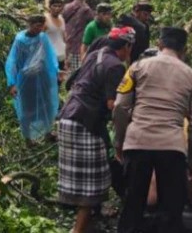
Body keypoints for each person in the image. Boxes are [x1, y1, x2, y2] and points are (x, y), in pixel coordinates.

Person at [113, 27, 192, 233]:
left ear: (160, 44)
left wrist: (119, 142)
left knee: (132, 206)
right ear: (184, 49)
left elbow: (120, 107)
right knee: (171, 212)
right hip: (172, 148)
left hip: (137, 142)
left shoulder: (137, 67)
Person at [57, 27, 136, 233]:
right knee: (91, 185)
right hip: (85, 122)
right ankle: (78, 230)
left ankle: (87, 223)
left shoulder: (95, 54)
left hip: (68, 116)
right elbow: (113, 105)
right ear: (127, 46)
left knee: (86, 178)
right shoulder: (115, 66)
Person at [5, 15, 59, 141]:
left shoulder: (42, 38)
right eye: (36, 26)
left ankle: (47, 133)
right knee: (27, 109)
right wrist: (12, 83)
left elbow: (49, 56)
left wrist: (55, 71)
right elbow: (13, 61)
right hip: (26, 81)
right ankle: (28, 138)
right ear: (29, 24)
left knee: (47, 105)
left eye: (41, 26)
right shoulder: (20, 40)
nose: (39, 29)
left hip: (43, 77)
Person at [62, 0, 94, 74]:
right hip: (79, 47)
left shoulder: (66, 7)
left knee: (67, 73)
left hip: (66, 45)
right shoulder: (87, 10)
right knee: (78, 74)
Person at [44, 0, 67, 79]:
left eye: (59, 6)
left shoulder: (62, 19)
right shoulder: (45, 19)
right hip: (49, 56)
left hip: (61, 56)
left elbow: (64, 36)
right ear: (50, 7)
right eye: (54, 6)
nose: (57, 8)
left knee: (59, 81)